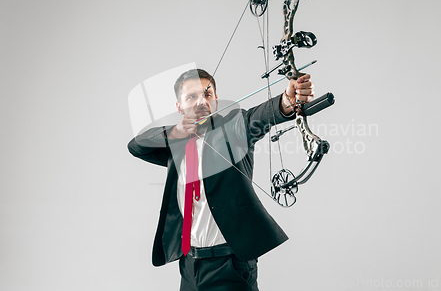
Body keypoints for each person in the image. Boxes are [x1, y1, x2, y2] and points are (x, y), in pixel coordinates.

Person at [128, 69, 314, 290]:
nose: (201, 102)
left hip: (230, 264)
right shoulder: (175, 144)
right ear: (179, 107)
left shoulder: (233, 130)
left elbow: (258, 117)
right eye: (191, 97)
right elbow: (136, 145)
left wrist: (285, 102)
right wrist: (174, 132)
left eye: (207, 95)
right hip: (190, 265)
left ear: (215, 99)